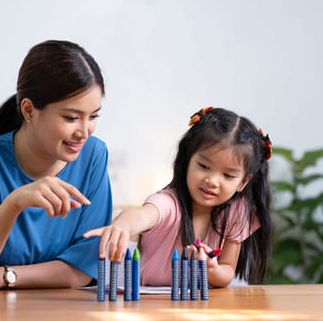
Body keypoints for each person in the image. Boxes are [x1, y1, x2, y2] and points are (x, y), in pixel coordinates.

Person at [0, 40, 113, 293]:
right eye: (71, 118)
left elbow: (84, 268)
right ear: (29, 110)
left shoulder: (94, 155)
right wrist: (13, 204)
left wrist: (3, 276)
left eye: (93, 116)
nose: (84, 132)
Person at [84, 107, 272, 287]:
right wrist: (122, 225)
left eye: (228, 175)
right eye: (204, 166)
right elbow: (142, 215)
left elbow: (227, 271)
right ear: (187, 160)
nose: (212, 181)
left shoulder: (236, 212)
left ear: (243, 182)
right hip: (156, 305)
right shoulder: (170, 203)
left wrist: (212, 269)